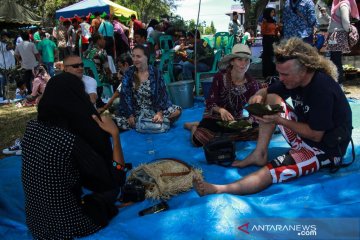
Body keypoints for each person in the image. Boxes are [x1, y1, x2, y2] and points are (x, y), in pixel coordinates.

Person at [194, 38, 352, 196]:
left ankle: (218, 189)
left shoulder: (322, 89)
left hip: (322, 149)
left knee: (269, 173)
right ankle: (259, 153)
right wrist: (258, 94)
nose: (281, 78)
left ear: (304, 69)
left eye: (284, 74)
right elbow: (269, 90)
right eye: (279, 73)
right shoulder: (293, 79)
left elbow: (316, 135)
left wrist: (279, 120)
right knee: (271, 97)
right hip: (303, 137)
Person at [22, 68, 127, 239]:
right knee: (110, 192)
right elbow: (117, 177)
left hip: (35, 225)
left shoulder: (31, 129)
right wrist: (114, 135)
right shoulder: (69, 141)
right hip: (69, 226)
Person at [184, 44, 261, 146]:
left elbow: (255, 109)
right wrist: (221, 110)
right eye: (239, 59)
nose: (244, 63)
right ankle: (194, 127)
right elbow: (210, 102)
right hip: (215, 117)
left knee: (259, 132)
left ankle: (219, 134)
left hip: (236, 120)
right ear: (232, 61)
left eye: (247, 60)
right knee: (198, 139)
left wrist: (250, 121)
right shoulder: (220, 77)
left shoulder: (252, 83)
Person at [115, 44, 181, 130]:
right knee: (117, 120)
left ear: (146, 57)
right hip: (136, 112)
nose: (135, 59)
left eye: (138, 56)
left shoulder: (156, 73)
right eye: (133, 56)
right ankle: (151, 123)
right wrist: (130, 115)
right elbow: (125, 96)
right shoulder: (129, 74)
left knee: (177, 111)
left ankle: (148, 122)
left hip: (154, 110)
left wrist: (159, 112)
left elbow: (162, 95)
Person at [327, 0, 359, 86]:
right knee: (335, 61)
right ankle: (337, 84)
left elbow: (346, 22)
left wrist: (349, 29)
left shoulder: (343, 4)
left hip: (338, 36)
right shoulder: (341, 4)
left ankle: (339, 85)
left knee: (336, 61)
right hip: (336, 36)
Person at [261, 7, 280, 80]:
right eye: (272, 12)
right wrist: (266, 25)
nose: (273, 14)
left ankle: (273, 73)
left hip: (273, 39)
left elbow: (275, 31)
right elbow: (263, 32)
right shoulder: (265, 21)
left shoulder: (274, 21)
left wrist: (278, 28)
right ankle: (267, 73)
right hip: (267, 39)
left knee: (273, 56)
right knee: (267, 56)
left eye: (273, 12)